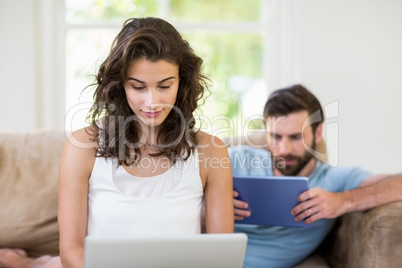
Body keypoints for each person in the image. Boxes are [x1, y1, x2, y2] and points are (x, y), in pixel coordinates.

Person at [0, 17, 234, 268]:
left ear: (182, 82)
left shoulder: (212, 150)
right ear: (120, 85)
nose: (152, 101)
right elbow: (72, 251)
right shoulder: (83, 146)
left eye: (165, 86)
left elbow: (222, 256)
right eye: (138, 87)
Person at [229, 84, 402, 267]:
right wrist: (209, 208)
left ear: (317, 133)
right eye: (276, 137)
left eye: (295, 137)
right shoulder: (237, 159)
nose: (284, 149)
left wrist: (341, 201)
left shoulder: (334, 180)